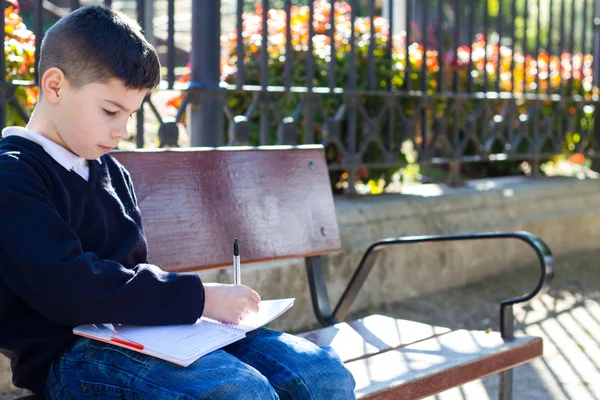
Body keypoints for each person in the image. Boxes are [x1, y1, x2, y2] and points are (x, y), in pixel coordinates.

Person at [0, 5, 355, 399]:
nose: (121, 130)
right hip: (70, 359)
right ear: (54, 86)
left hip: (144, 335)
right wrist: (200, 297)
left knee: (322, 373)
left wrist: (195, 309)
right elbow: (69, 287)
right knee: (239, 391)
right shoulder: (13, 174)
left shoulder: (110, 171)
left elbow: (131, 271)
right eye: (110, 111)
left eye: (131, 115)